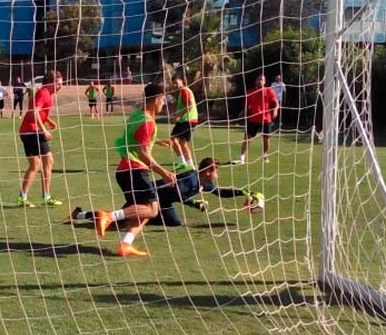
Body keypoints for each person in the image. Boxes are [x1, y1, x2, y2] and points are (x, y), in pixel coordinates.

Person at [93, 83, 176, 257]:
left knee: (144, 209)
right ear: (155, 100)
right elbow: (143, 152)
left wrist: (157, 141)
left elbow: (137, 139)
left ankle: (126, 244)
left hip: (125, 169)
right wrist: (165, 173)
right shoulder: (148, 122)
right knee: (153, 210)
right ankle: (108, 217)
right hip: (135, 170)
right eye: (163, 99)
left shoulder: (138, 115)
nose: (164, 103)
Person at [70, 157, 265, 227]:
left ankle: (145, 218)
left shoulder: (204, 183)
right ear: (208, 171)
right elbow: (178, 193)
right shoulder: (192, 178)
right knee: (118, 219)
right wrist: (194, 203)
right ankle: (80, 214)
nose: (217, 173)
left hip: (162, 203)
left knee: (174, 222)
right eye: (216, 170)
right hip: (148, 195)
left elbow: (221, 193)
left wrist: (245, 191)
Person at [17, 70, 64, 208]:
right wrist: (44, 129)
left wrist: (48, 120)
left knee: (38, 164)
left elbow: (38, 110)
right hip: (32, 131)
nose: (60, 86)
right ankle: (41, 196)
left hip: (29, 130)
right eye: (59, 84)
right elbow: (34, 112)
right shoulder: (43, 93)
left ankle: (27, 197)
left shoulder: (46, 93)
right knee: (45, 162)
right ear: (50, 82)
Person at [234, 74, 279, 164]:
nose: (260, 81)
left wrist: (275, 110)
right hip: (253, 120)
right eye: (259, 79)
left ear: (265, 82)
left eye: (262, 79)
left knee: (266, 139)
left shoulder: (268, 91)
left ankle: (265, 156)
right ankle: (242, 158)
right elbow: (246, 106)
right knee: (246, 139)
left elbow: (276, 103)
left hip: (266, 120)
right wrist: (242, 113)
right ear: (256, 81)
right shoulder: (250, 92)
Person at [170, 75, 198, 167]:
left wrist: (177, 116)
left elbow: (189, 105)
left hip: (187, 120)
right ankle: (187, 164)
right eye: (173, 83)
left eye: (176, 83)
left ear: (182, 82)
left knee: (174, 139)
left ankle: (184, 162)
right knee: (181, 143)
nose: (175, 85)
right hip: (186, 120)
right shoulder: (183, 92)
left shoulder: (184, 90)